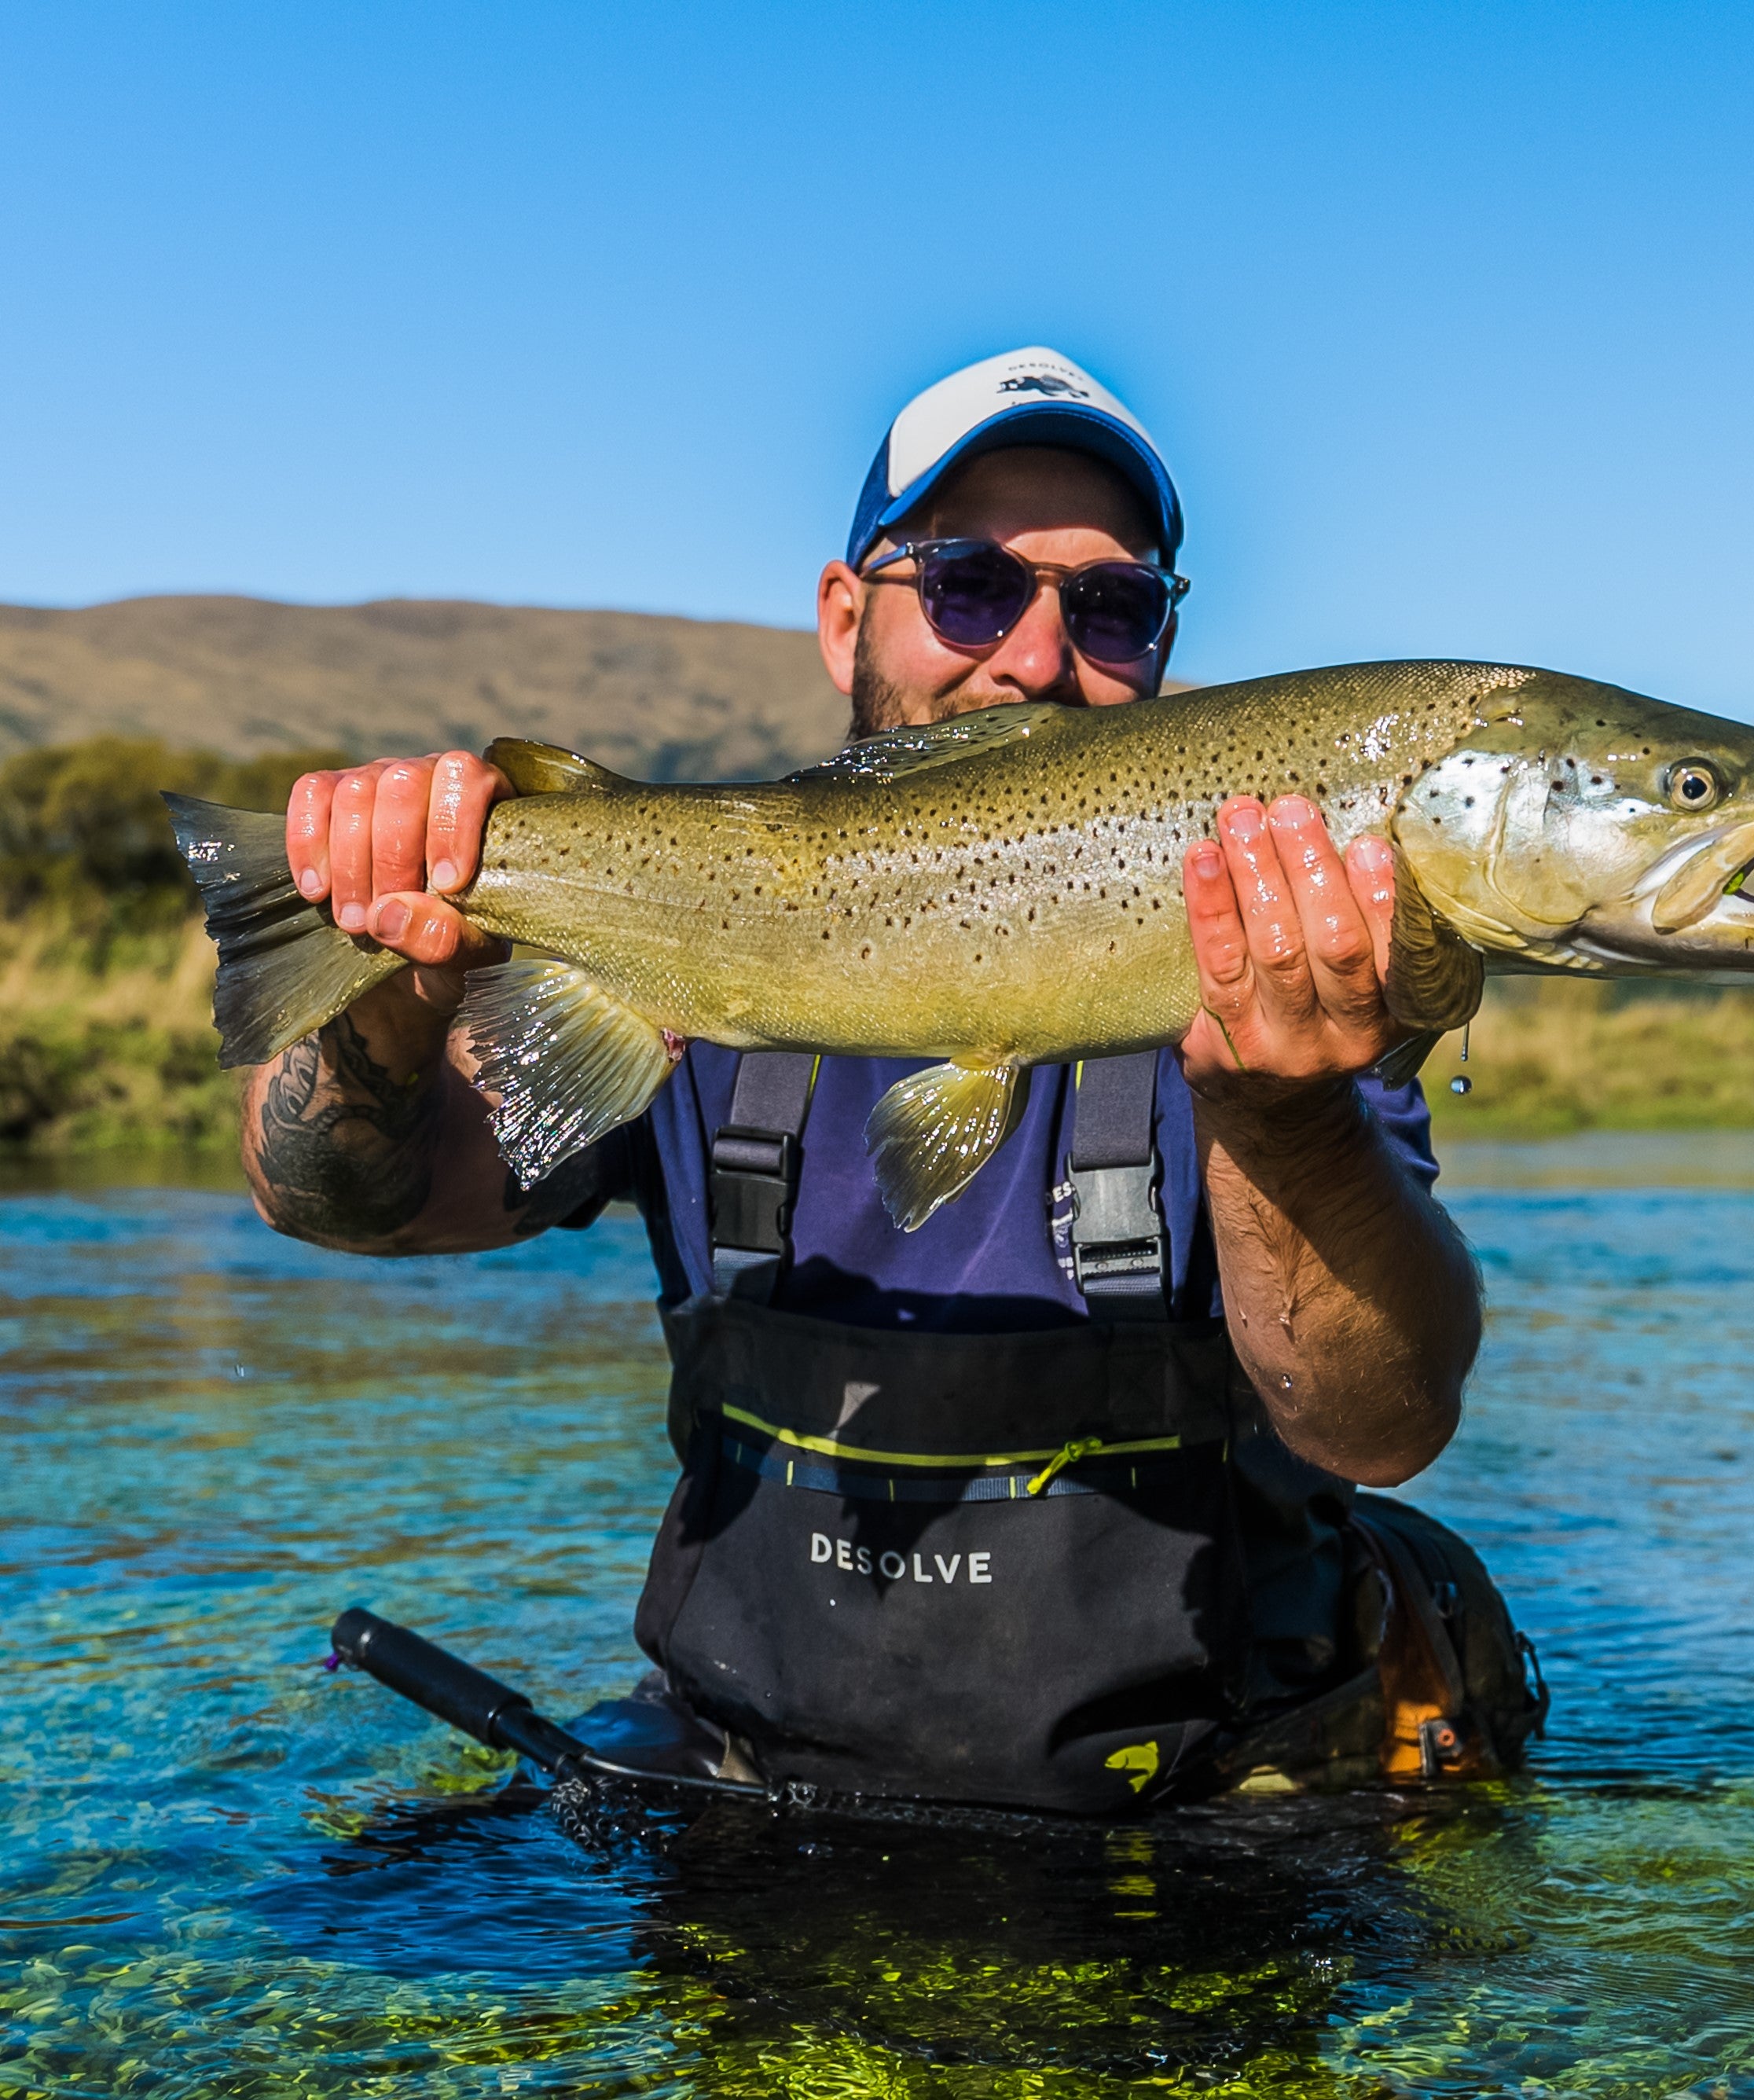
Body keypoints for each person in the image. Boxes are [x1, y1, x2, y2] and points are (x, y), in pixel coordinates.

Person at [247, 347, 1538, 1810]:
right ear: (844, 615)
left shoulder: (1293, 973)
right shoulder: (687, 924)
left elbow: (1383, 1428)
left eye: (1113, 607)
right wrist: (393, 980)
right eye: (973, 585)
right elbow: (341, 1200)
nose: (1039, 657)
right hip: (751, 1828)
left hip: (1194, 1852)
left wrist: (1284, 1123)